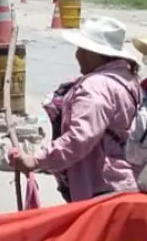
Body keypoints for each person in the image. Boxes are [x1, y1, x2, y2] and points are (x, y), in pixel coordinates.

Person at [11, 16, 140, 202]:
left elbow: (80, 138)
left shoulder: (96, 88)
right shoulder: (127, 79)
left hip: (101, 187)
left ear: (97, 54)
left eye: (83, 49)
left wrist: (37, 159)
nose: (78, 55)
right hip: (125, 180)